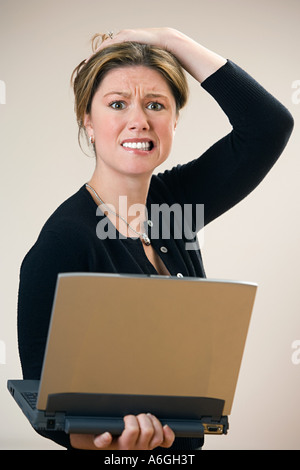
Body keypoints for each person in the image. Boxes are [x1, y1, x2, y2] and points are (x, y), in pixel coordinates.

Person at [17, 28, 294, 450]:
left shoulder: (174, 207)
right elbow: (46, 404)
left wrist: (170, 40)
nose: (138, 120)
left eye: (155, 105)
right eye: (117, 104)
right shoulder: (63, 242)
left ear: (175, 121)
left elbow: (269, 126)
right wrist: (113, 446)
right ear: (87, 122)